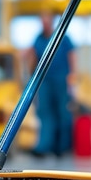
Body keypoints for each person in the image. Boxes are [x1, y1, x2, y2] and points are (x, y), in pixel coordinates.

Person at [27, 12, 76, 157]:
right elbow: (33, 57)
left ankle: (62, 147)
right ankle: (44, 146)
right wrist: (31, 76)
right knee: (45, 112)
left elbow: (72, 56)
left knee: (62, 112)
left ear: (52, 22)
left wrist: (73, 76)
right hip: (44, 80)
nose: (44, 24)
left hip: (61, 79)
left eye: (47, 21)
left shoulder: (63, 37)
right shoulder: (38, 39)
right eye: (42, 21)